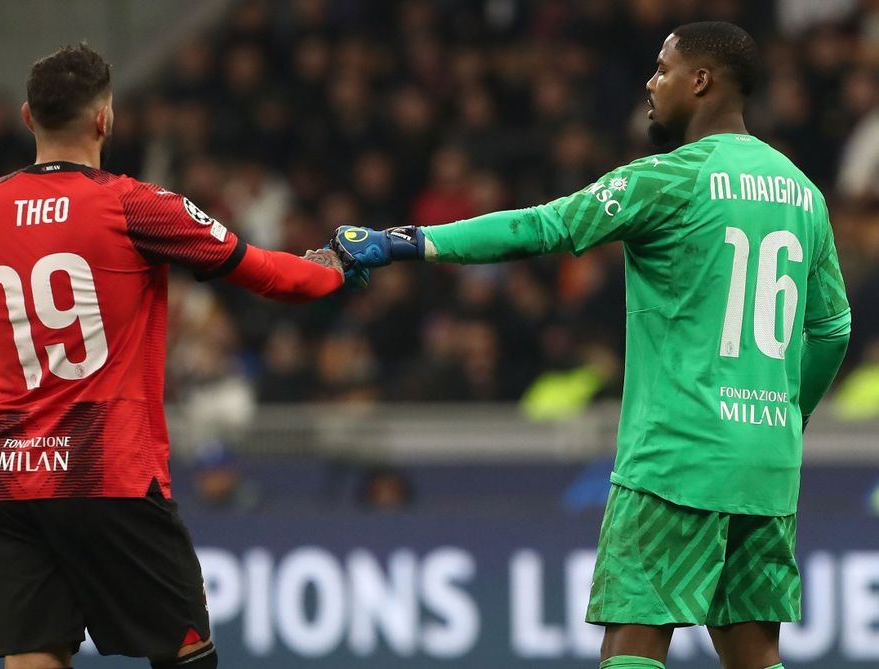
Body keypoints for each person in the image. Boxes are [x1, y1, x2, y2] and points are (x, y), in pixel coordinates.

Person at [332, 22, 851, 669]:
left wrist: (402, 240)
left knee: (631, 644)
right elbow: (832, 328)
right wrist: (784, 416)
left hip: (677, 458)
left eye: (663, 69)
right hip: (766, 463)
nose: (650, 83)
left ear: (702, 80)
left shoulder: (668, 179)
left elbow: (541, 227)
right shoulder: (802, 191)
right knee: (754, 651)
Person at [0, 44, 348, 669]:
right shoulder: (136, 205)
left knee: (33, 658)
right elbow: (272, 277)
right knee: (186, 658)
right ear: (104, 119)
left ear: (26, 117)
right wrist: (336, 269)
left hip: (12, 480)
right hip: (111, 474)